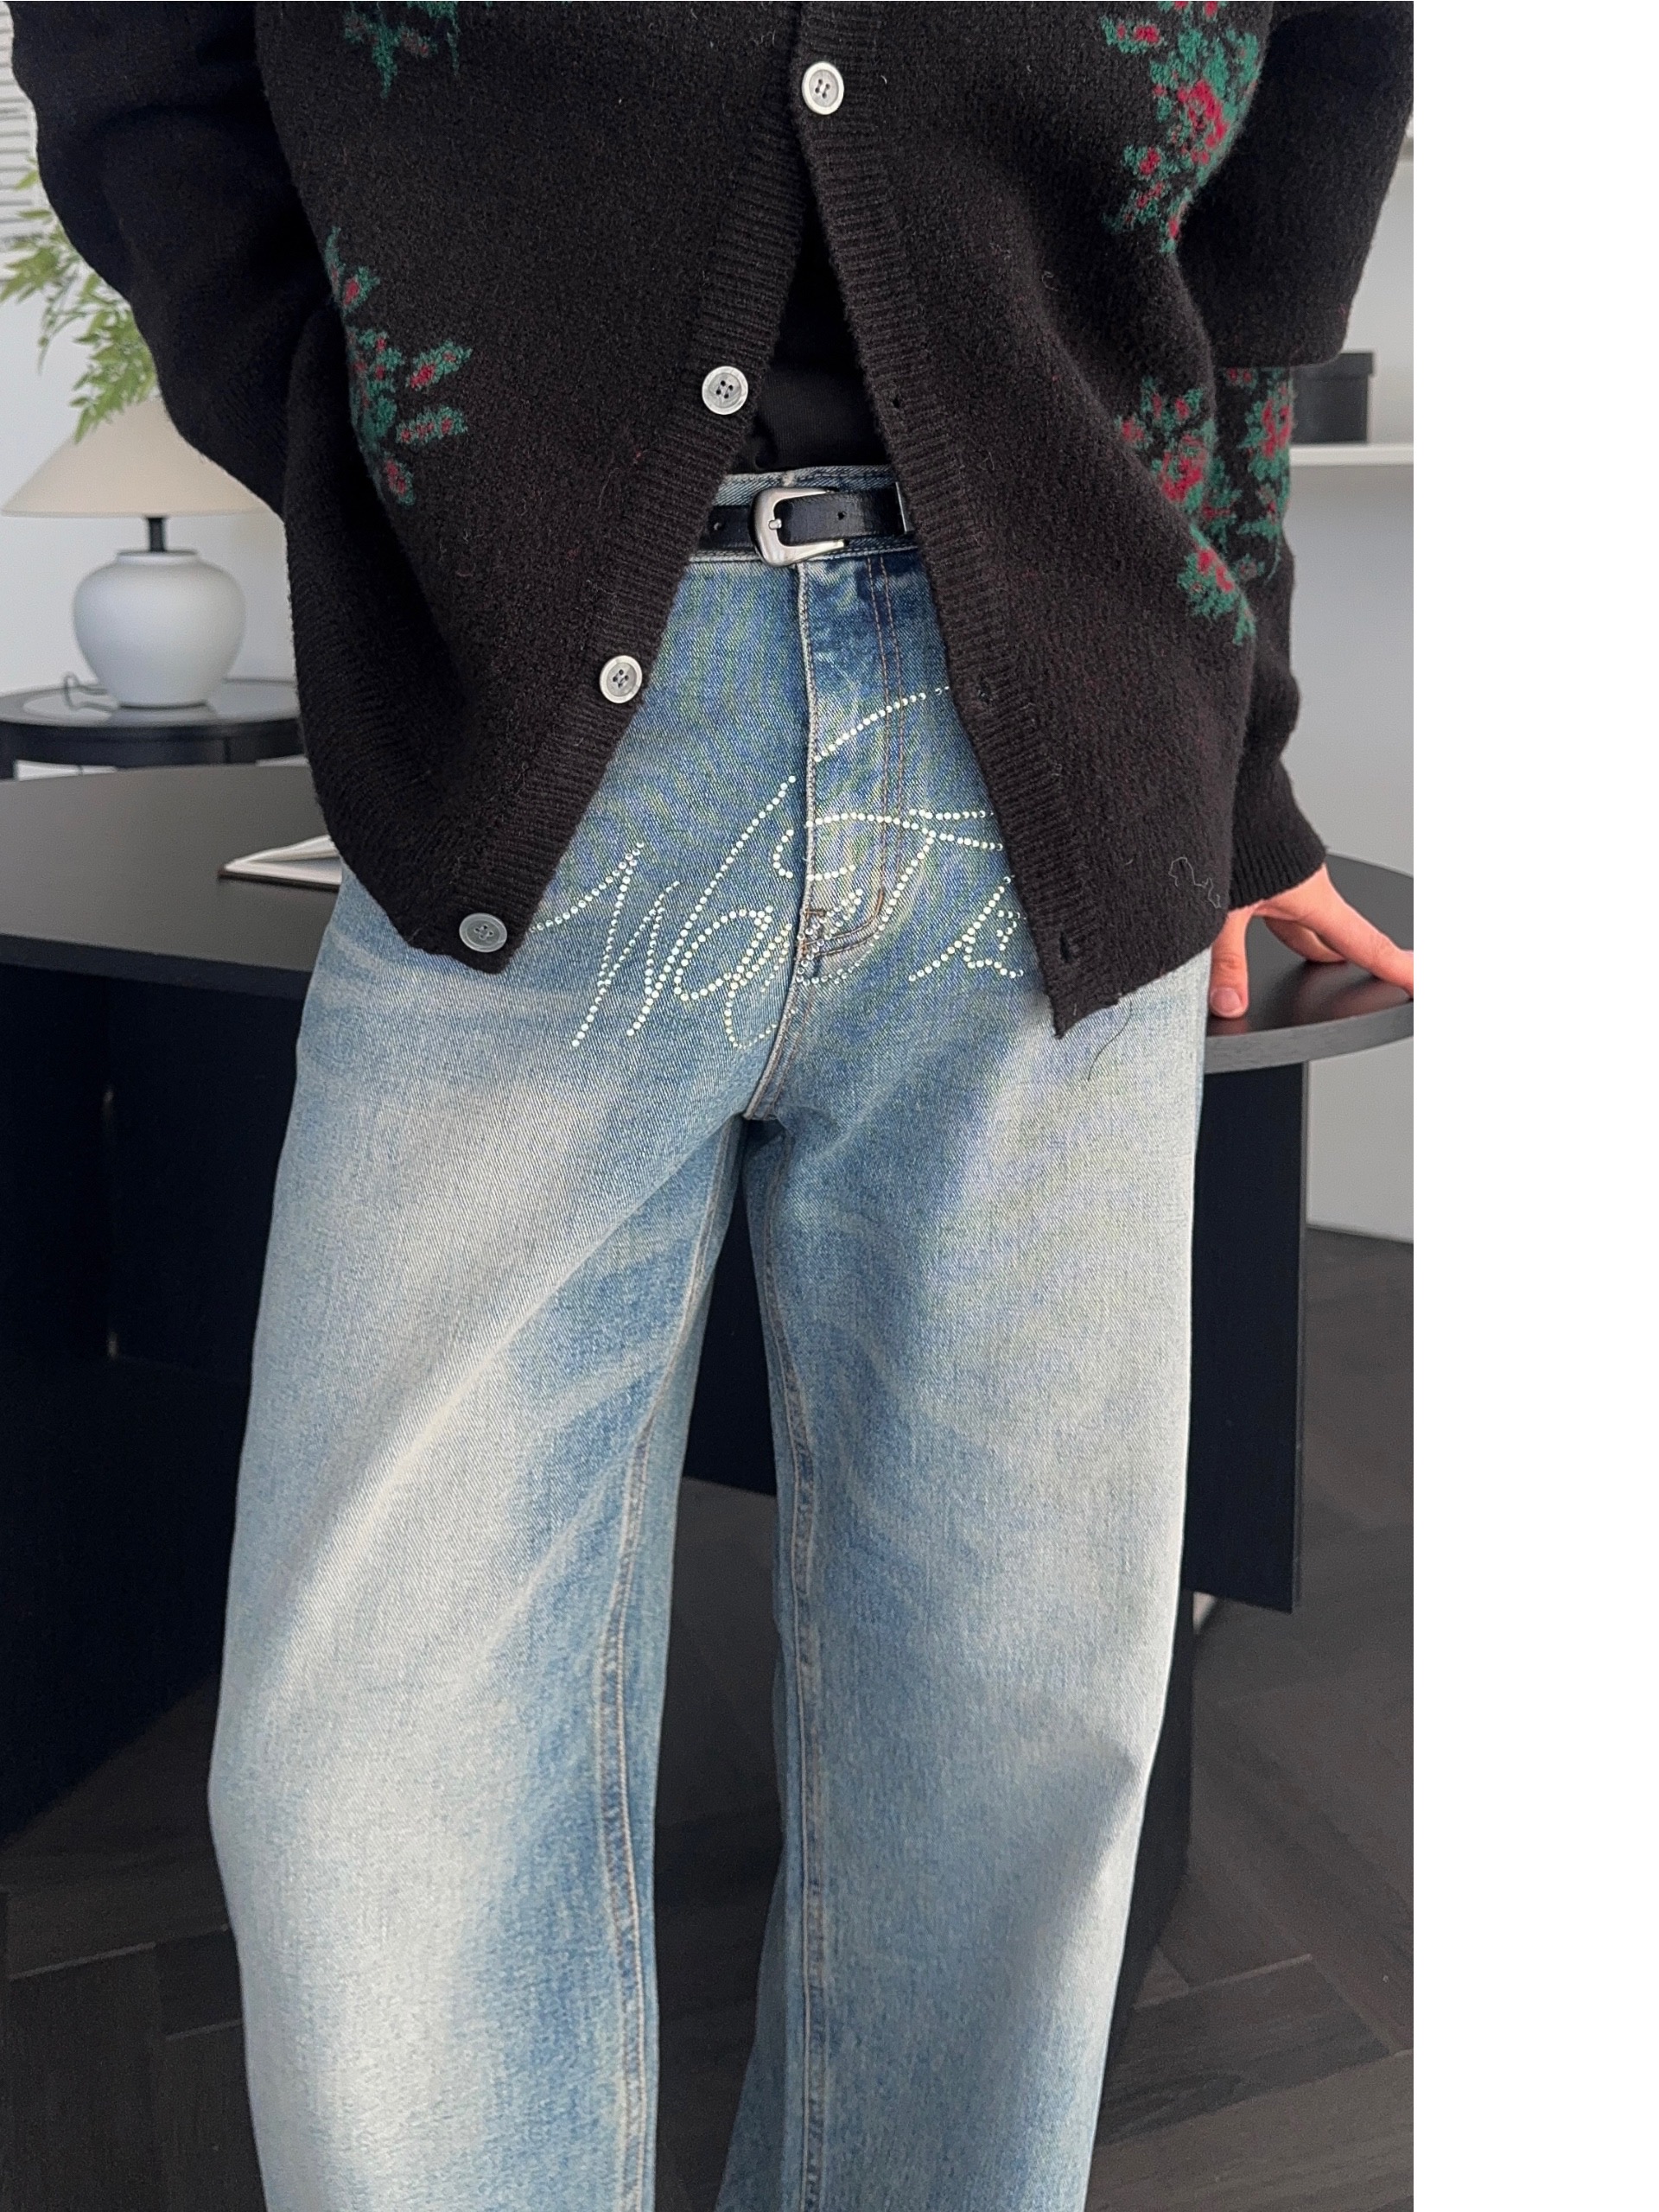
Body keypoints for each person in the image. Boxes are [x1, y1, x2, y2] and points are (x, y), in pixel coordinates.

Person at [12, 6, 1414, 2208]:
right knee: (372, 1756)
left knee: (1013, 1729)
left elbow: (1275, 194)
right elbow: (131, 51)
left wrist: (1241, 762)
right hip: (523, 778)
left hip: (1060, 757)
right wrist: (385, 446)